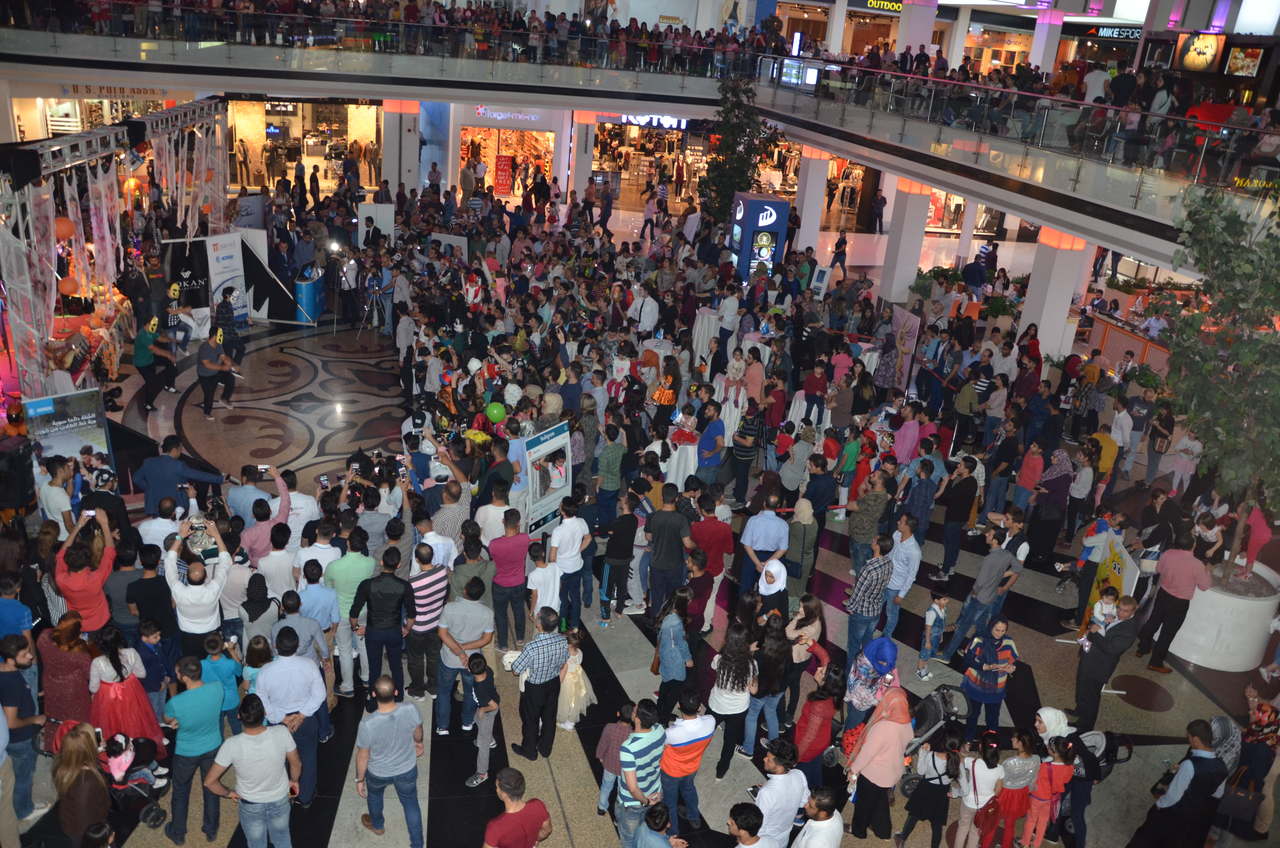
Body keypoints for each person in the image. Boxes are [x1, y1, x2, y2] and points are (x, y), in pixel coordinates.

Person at [204, 694, 301, 848]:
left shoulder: (232, 744)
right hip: (280, 798)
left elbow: (209, 782)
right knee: (282, 837)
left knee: (256, 843)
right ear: (264, 714)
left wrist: (229, 793)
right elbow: (296, 763)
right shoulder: (281, 732)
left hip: (250, 804)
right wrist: (294, 781)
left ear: (238, 716)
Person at [255, 626, 326, 809]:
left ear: (275, 647)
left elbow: (262, 701)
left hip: (279, 723)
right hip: (306, 720)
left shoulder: (266, 671)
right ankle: (306, 797)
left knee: (281, 761)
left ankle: (287, 795)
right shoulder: (309, 664)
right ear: (297, 646)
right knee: (308, 759)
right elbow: (319, 694)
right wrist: (301, 715)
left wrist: (282, 718)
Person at [1126, 719, 1226, 848]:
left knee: (1145, 840)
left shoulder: (1190, 765)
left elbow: (1173, 797)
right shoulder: (1222, 766)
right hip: (1192, 820)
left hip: (1174, 816)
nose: (1188, 740)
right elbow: (1217, 795)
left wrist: (1159, 806)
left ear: (1195, 739)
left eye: (1188, 737)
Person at [355, 676, 425, 847]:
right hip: (406, 769)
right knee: (410, 803)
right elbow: (418, 731)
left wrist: (360, 779)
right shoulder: (409, 708)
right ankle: (417, 843)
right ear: (396, 692)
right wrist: (418, 742)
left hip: (378, 772)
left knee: (375, 795)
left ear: (373, 694)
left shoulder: (367, 724)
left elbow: (363, 756)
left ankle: (378, 825)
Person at [164, 655, 226, 845]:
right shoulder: (217, 688)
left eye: (177, 673)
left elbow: (168, 719)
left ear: (184, 678)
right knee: (211, 785)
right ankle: (211, 829)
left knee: (181, 791)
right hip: (213, 745)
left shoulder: (176, 702)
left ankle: (178, 832)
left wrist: (175, 722)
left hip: (186, 752)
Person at [1136, 531, 1210, 673]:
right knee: (1167, 633)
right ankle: (1155, 663)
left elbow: (1158, 569)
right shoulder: (1197, 564)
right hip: (1179, 603)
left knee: (1153, 621)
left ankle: (1142, 648)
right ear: (1193, 546)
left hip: (1163, 595)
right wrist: (1207, 572)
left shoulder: (1168, 553)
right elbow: (1204, 586)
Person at [350, 548, 414, 708]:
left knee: (374, 667)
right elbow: (412, 614)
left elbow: (354, 612)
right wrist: (406, 629)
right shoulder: (404, 586)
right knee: (396, 666)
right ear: (398, 565)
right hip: (394, 631)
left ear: (381, 562)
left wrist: (356, 627)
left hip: (374, 632)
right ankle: (398, 696)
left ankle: (372, 701)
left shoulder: (367, 584)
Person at [847, 688, 912, 840]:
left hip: (874, 774)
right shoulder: (906, 721)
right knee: (879, 800)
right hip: (892, 772)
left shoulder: (883, 727)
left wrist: (854, 770)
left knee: (864, 804)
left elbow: (866, 754)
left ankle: (858, 830)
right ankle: (883, 831)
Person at [435, 577, 495, 735]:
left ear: (465, 591)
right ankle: (467, 722)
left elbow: (442, 633)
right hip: (473, 661)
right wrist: (465, 649)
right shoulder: (487, 613)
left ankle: (442, 726)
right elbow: (486, 639)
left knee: (444, 692)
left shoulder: (449, 607)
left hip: (449, 657)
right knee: (470, 692)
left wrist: (459, 650)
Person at [1070, 595, 1138, 731]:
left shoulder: (1130, 630)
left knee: (1092, 695)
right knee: (1081, 686)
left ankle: (1085, 725)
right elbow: (1095, 624)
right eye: (1119, 608)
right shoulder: (1113, 616)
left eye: (1125, 611)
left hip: (1099, 667)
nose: (1120, 613)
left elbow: (1111, 649)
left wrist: (1094, 633)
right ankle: (1079, 710)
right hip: (1089, 657)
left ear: (1133, 612)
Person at [510, 607, 569, 761]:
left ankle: (530, 750)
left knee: (531, 720)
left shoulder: (532, 647)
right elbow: (563, 662)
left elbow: (516, 670)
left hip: (535, 688)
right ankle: (545, 748)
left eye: (537, 616)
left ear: (539, 624)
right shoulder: (562, 640)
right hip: (553, 684)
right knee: (549, 718)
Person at [0, 633, 46, 824]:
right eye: (24, 654)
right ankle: (23, 811)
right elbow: (11, 722)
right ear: (10, 659)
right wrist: (35, 719)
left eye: (28, 651)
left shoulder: (5, 671)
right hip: (20, 739)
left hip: (16, 739)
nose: (30, 656)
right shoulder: (11, 683)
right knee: (22, 778)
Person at [894, 726, 961, 848]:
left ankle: (902, 838)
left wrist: (923, 752)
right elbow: (965, 787)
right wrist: (956, 793)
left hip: (925, 789)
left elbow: (920, 771)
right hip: (941, 793)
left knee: (914, 815)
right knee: (937, 824)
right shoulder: (957, 760)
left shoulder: (931, 756)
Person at [659, 689, 714, 835]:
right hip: (692, 767)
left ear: (679, 707)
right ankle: (694, 817)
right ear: (699, 707)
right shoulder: (710, 722)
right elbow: (704, 718)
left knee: (670, 802)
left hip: (671, 771)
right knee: (689, 789)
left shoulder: (672, 733)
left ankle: (673, 832)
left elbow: (662, 745)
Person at [616, 699, 666, 848]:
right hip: (655, 790)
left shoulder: (628, 748)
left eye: (634, 710)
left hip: (634, 802)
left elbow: (632, 788)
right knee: (646, 828)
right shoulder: (660, 730)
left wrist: (646, 802)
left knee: (628, 838)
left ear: (637, 718)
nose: (632, 710)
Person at [52, 721, 110, 848]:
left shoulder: (64, 762)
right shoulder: (87, 781)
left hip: (70, 818)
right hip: (84, 830)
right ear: (88, 749)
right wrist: (96, 836)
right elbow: (84, 819)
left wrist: (96, 750)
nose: (101, 738)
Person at [959, 618, 1019, 740]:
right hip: (976, 685)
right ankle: (968, 740)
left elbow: (1012, 661)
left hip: (996, 688)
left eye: (1003, 631)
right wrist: (984, 666)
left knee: (993, 717)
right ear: (990, 627)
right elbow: (967, 660)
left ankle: (991, 742)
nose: (999, 633)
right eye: (997, 630)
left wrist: (1011, 668)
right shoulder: (979, 640)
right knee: (973, 715)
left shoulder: (1009, 642)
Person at [984, 729, 1040, 848]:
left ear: (1020, 743)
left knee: (992, 824)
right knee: (1010, 825)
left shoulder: (1009, 762)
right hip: (1021, 794)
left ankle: (985, 845)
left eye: (1014, 738)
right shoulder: (1036, 759)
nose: (1011, 739)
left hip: (1005, 794)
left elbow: (1000, 781)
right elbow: (1033, 780)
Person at [955, 731, 1006, 848]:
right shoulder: (1000, 769)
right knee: (975, 832)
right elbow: (998, 791)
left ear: (980, 747)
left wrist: (964, 751)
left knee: (963, 827)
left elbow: (960, 759)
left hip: (968, 802)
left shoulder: (972, 762)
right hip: (984, 807)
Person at [484, 768, 551, 848]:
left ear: (504, 794)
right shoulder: (538, 805)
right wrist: (534, 841)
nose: (496, 790)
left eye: (497, 787)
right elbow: (547, 830)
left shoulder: (495, 827)